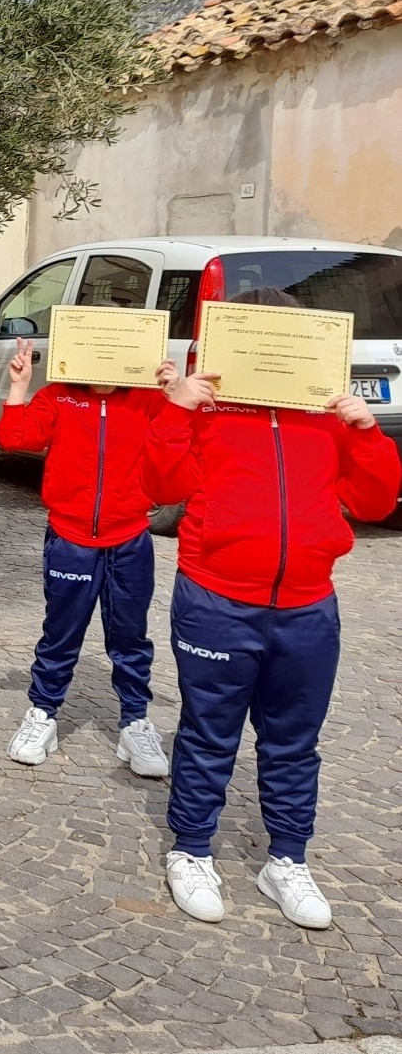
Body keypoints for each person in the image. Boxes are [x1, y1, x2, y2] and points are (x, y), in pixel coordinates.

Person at [144, 288, 400, 930]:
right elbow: (159, 486)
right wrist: (176, 410)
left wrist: (367, 432)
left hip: (308, 605)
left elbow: (375, 503)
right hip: (216, 598)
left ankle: (286, 859)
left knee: (294, 741)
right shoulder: (206, 409)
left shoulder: (327, 416)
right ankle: (191, 849)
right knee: (209, 731)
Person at [0, 335, 171, 777]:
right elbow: (14, 437)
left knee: (130, 638)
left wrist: (175, 399)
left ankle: (135, 723)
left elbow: (181, 452)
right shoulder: (58, 395)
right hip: (70, 538)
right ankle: (42, 713)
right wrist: (19, 385)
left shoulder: (148, 400)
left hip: (129, 539)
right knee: (60, 635)